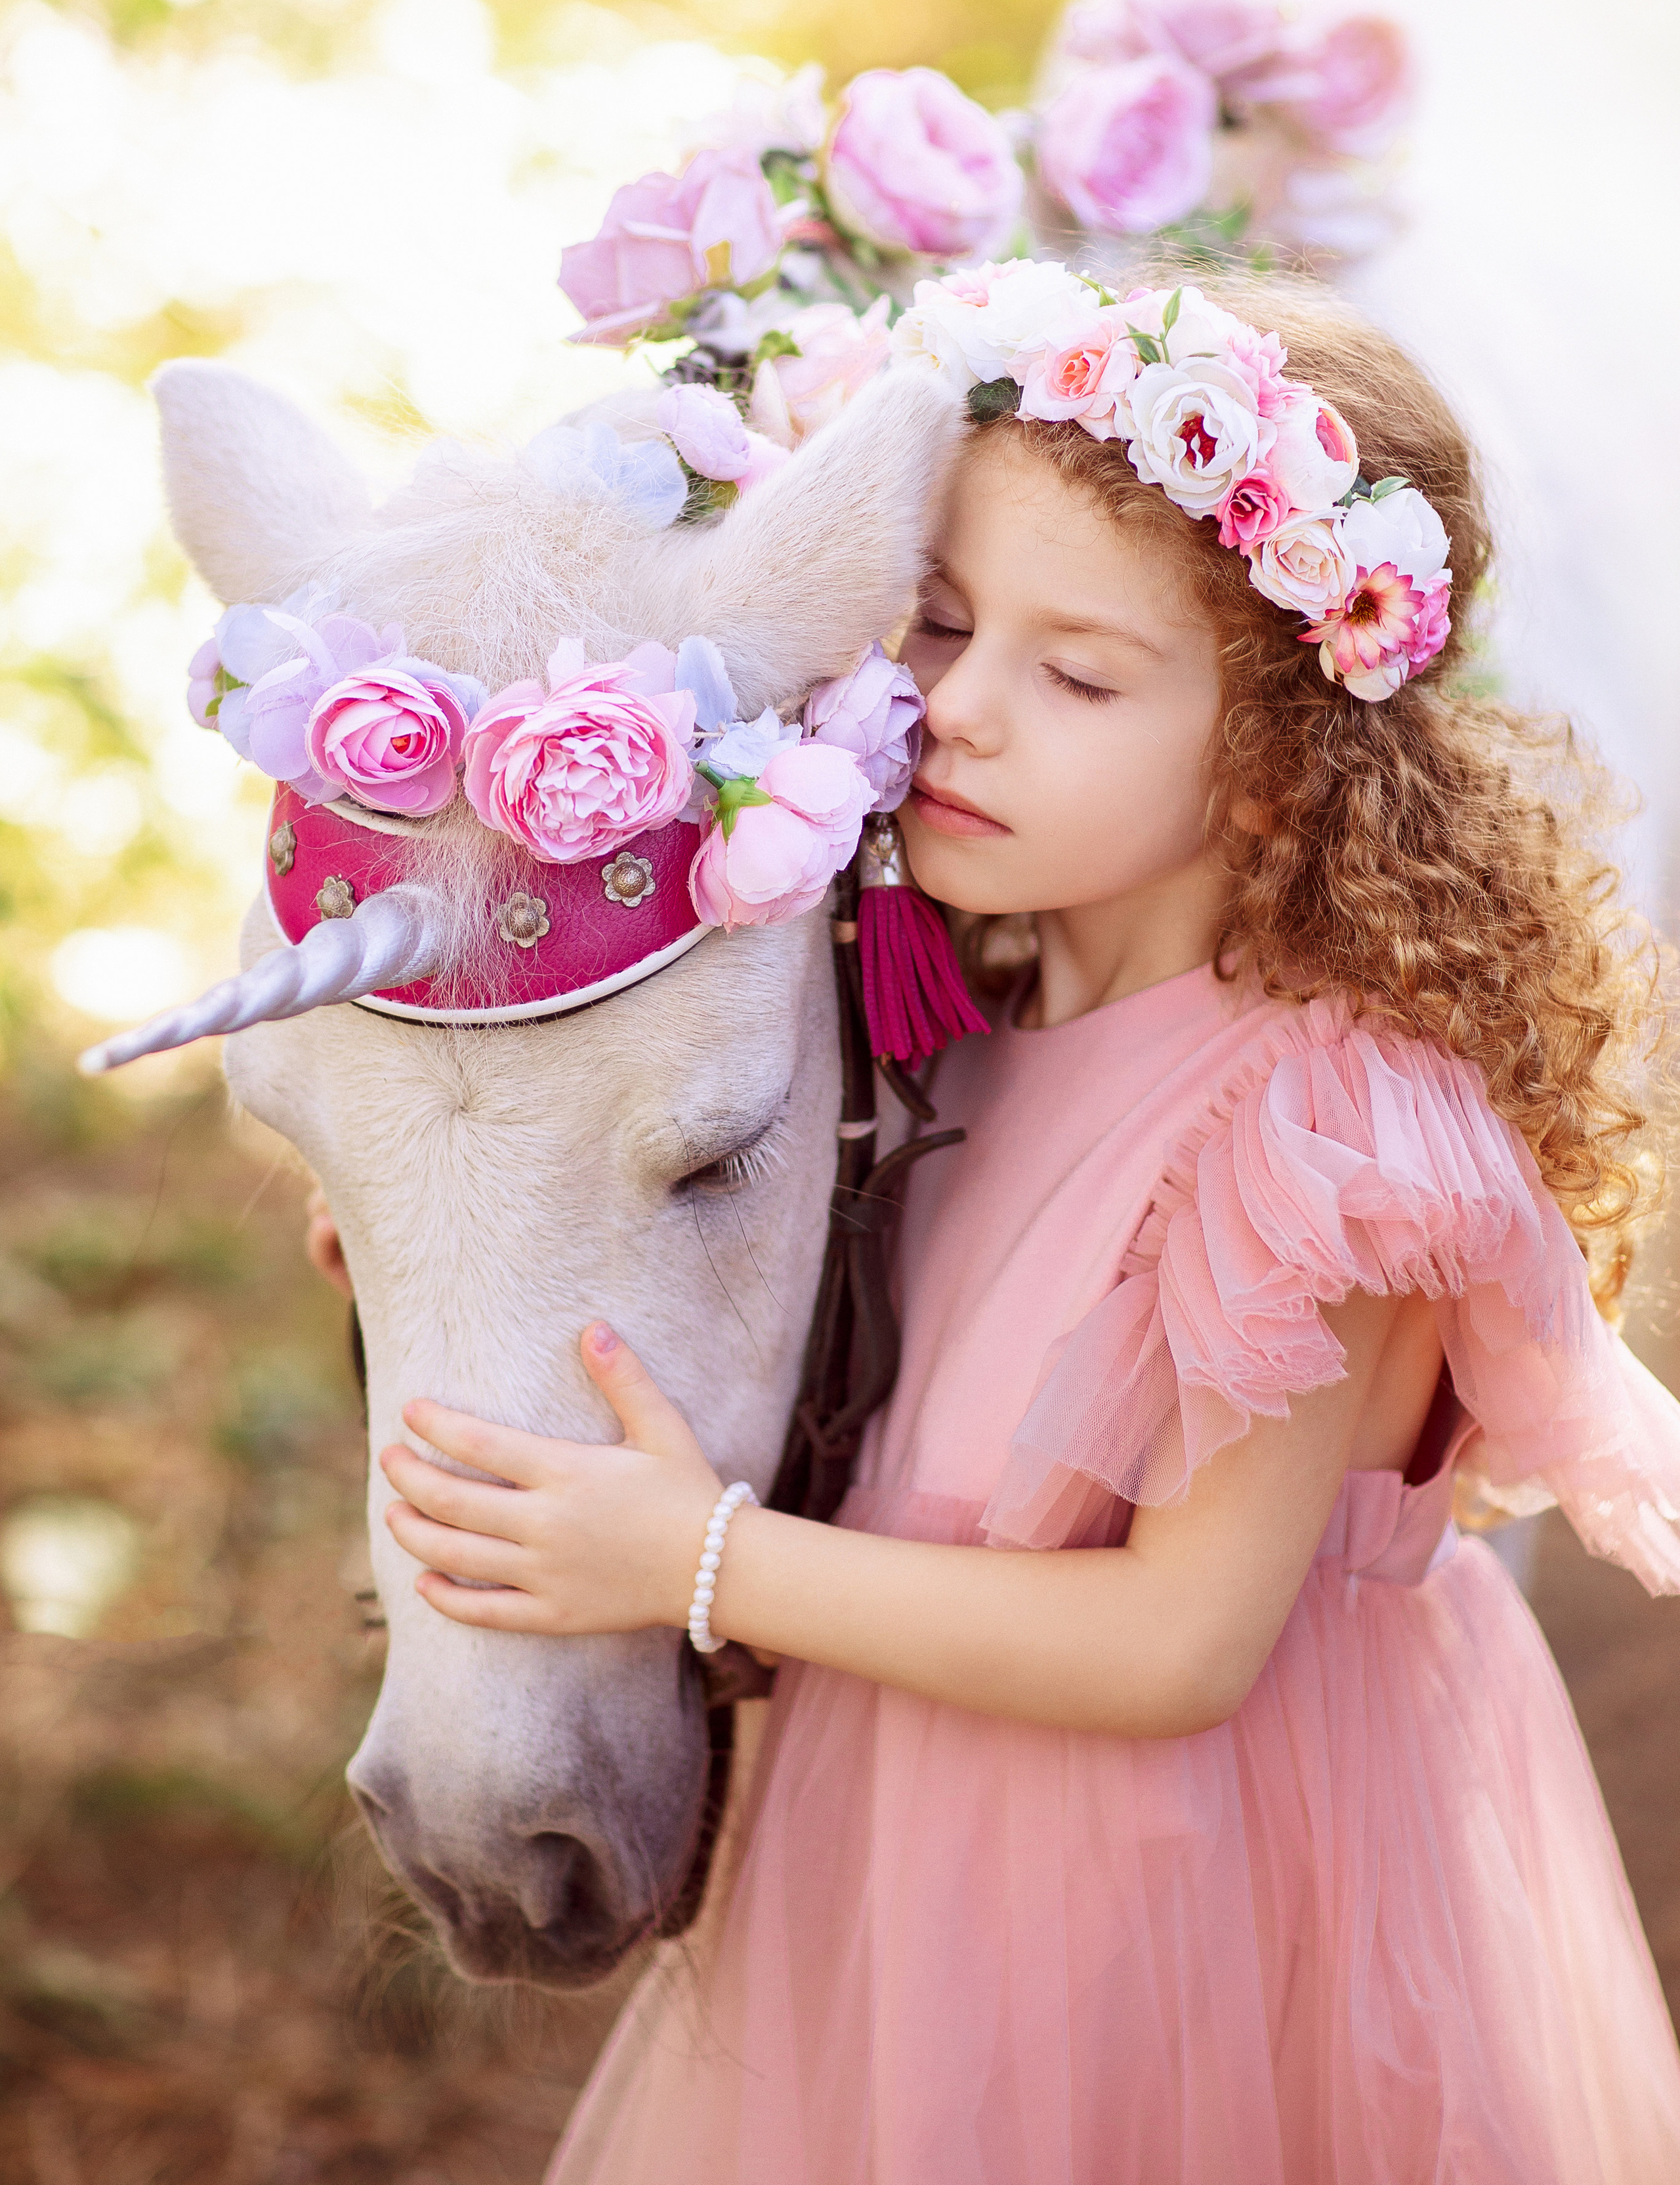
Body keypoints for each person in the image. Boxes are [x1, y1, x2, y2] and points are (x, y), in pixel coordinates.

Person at [348, 267, 1680, 2181]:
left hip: (1188, 1920)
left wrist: (692, 1563)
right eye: (948, 626)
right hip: (899, 1862)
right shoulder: (956, 1017)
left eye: (1073, 675)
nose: (955, 713)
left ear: (1277, 749)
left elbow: (1176, 1650)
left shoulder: (1320, 1133)